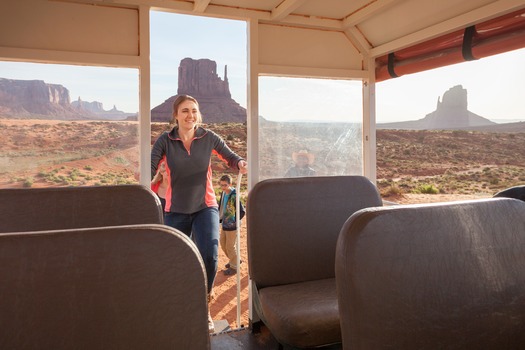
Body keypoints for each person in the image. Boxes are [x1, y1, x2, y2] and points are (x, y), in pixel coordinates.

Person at [150, 94, 248, 333]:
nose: (190, 115)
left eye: (193, 111)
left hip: (205, 207)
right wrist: (143, 175)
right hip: (175, 210)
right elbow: (150, 166)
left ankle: (203, 304)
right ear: (175, 115)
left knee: (210, 254)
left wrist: (241, 163)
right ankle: (180, 304)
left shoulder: (208, 137)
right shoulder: (165, 140)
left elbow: (231, 158)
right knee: (175, 260)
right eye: (184, 111)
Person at [218, 174, 245, 276]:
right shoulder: (223, 193)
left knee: (230, 246)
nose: (223, 187)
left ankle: (234, 267)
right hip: (224, 224)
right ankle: (236, 260)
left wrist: (234, 222)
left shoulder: (234, 195)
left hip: (232, 226)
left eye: (225, 185)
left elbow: (242, 212)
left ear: (230, 184)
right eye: (222, 185)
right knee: (223, 243)